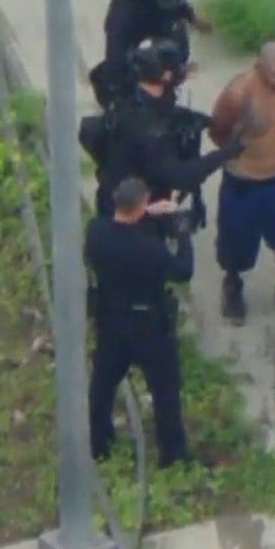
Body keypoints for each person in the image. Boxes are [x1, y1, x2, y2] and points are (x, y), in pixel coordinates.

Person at [208, 42, 275, 325]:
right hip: (244, 181)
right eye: (274, 76)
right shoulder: (239, 93)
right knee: (236, 245)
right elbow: (217, 130)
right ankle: (232, 285)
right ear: (259, 69)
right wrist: (240, 156)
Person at [86, 177, 194, 467]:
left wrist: (147, 214)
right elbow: (183, 270)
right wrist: (181, 231)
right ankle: (173, 454)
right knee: (164, 391)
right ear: (143, 204)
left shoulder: (96, 233)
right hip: (150, 326)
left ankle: (99, 446)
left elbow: (119, 228)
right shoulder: (151, 250)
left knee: (102, 387)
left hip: (111, 321)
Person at [86, 37, 244, 220]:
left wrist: (201, 120)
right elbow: (183, 176)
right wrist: (226, 153)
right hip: (133, 214)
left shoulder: (128, 94)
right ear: (166, 76)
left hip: (116, 188)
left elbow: (165, 109)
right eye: (178, 68)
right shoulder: (151, 132)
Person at [90, 0, 213, 109]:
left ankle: (172, 74)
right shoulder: (121, 18)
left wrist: (193, 18)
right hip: (139, 46)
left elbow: (177, 2)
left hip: (163, 32)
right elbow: (116, 60)